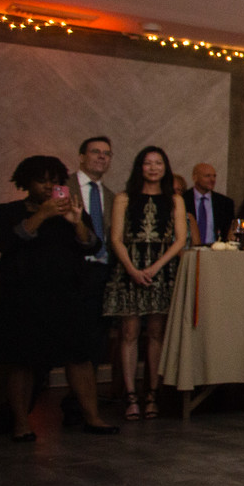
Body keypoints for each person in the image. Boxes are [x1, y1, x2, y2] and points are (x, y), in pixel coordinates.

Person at [0, 156, 118, 441]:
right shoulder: (7, 211)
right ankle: (21, 423)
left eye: (54, 180)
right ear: (26, 182)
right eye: (41, 180)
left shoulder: (69, 211)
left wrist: (75, 222)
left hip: (66, 295)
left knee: (79, 356)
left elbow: (93, 244)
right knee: (22, 360)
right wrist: (42, 215)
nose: (49, 186)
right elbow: (5, 242)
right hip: (22, 298)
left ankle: (92, 417)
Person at [104, 146, 187, 421]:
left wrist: (154, 267)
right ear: (139, 167)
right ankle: (130, 395)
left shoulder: (175, 199)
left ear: (166, 167)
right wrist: (132, 269)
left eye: (158, 163)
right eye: (147, 163)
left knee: (156, 333)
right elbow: (115, 238)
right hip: (128, 267)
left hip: (161, 269)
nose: (153, 168)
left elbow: (179, 240)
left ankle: (152, 392)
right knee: (128, 333)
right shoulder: (123, 198)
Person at [73, 137, 119, 406]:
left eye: (107, 154)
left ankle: (81, 402)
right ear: (81, 156)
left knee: (95, 340)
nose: (102, 157)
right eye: (95, 152)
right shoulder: (65, 188)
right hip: (71, 271)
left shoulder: (112, 197)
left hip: (101, 272)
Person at [183, 162, 234, 246]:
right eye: (207, 176)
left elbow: (229, 231)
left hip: (216, 252)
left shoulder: (225, 203)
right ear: (195, 177)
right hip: (188, 251)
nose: (212, 180)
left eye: (214, 176)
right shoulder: (183, 200)